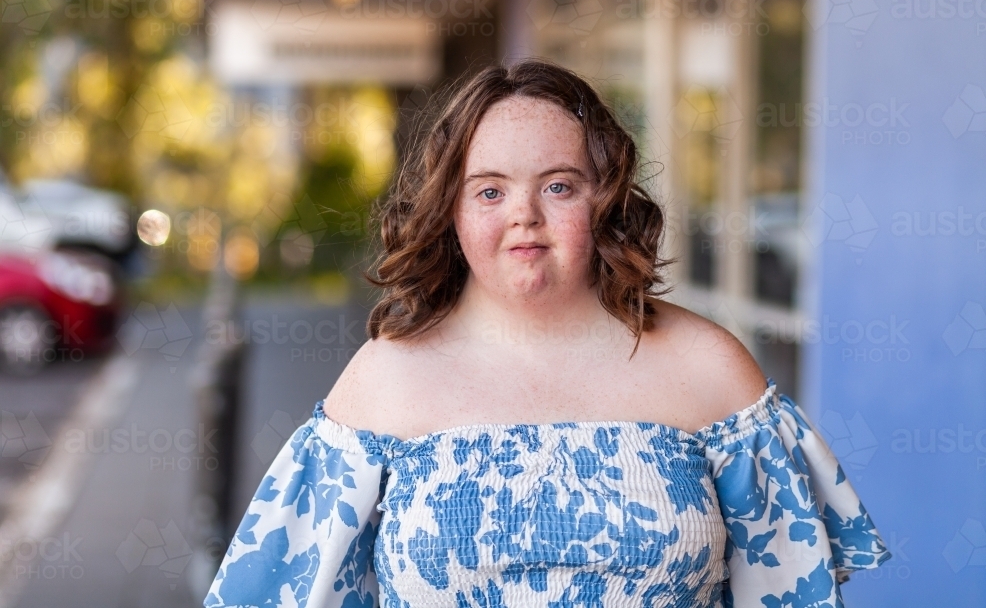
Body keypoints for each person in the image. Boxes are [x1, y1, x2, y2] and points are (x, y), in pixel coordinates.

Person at [205, 60, 891, 607]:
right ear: (450, 211)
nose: (524, 216)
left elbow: (791, 593)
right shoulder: (384, 380)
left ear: (607, 197)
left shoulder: (711, 372)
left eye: (559, 186)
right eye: (490, 190)